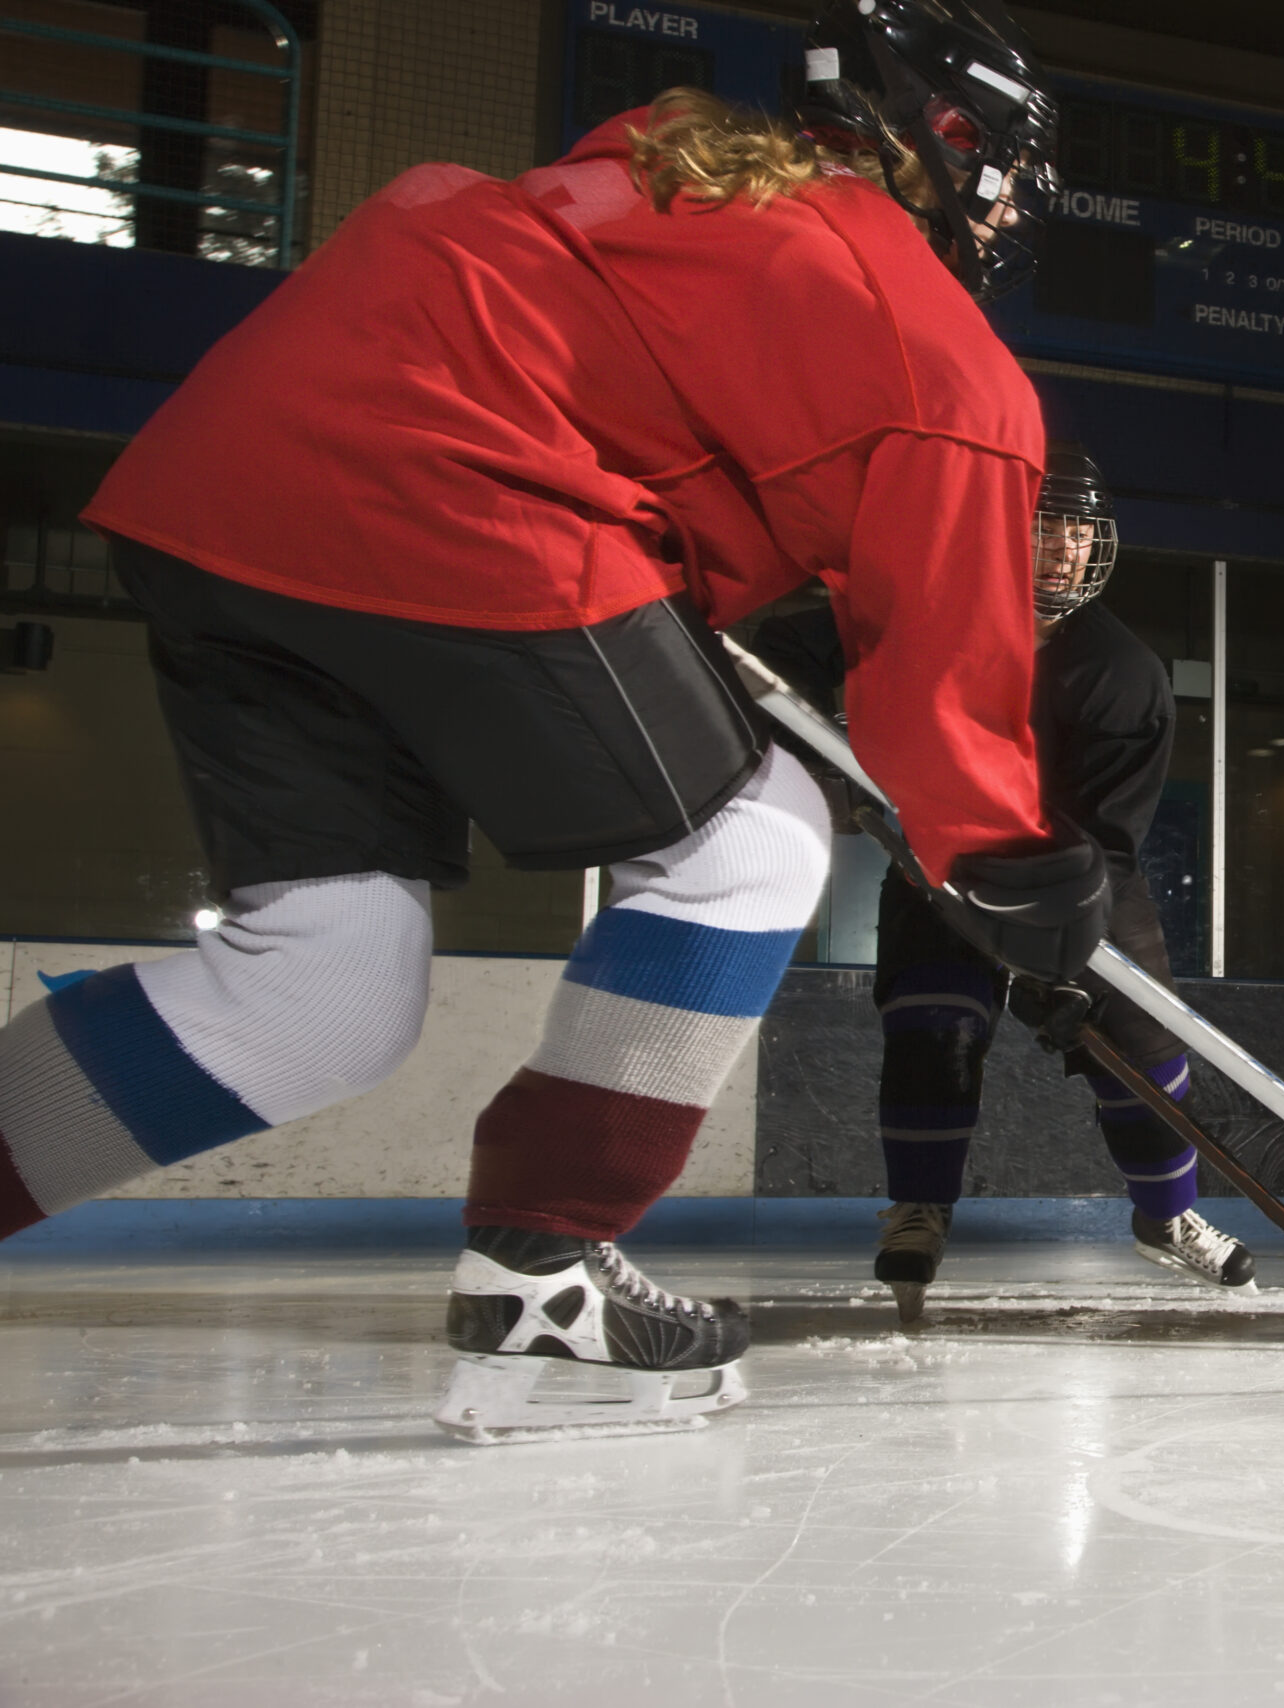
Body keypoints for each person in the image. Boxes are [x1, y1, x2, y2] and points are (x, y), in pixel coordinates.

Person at [0, 0, 1111, 1438]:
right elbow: (946, 687)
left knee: (320, 985)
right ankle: (542, 1263)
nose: (1011, 211)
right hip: (450, 483)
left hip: (230, 475)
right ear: (949, 148)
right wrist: (1015, 865)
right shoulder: (944, 360)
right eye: (1010, 173)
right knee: (757, 840)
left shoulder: (680, 178)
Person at [754, 445, 1255, 1324]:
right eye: (1043, 527)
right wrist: (817, 764)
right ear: (994, 534)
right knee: (932, 1030)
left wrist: (1060, 960)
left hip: (1082, 881)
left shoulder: (1123, 675)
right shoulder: (920, 619)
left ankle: (1168, 1216)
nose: (1064, 548)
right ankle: (919, 1208)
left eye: (1077, 529)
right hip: (940, 866)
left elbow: (1111, 842)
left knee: (1144, 1055)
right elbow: (775, 656)